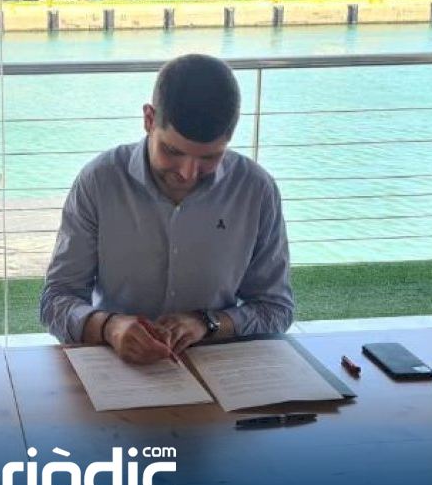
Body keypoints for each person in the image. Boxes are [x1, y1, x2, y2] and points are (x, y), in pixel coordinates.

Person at [40, 54, 292, 365]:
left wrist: (208, 323)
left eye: (209, 158)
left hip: (217, 366)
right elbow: (56, 300)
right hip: (118, 365)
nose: (187, 173)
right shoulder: (100, 181)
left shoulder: (256, 189)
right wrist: (110, 328)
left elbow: (276, 309)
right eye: (173, 151)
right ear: (149, 119)